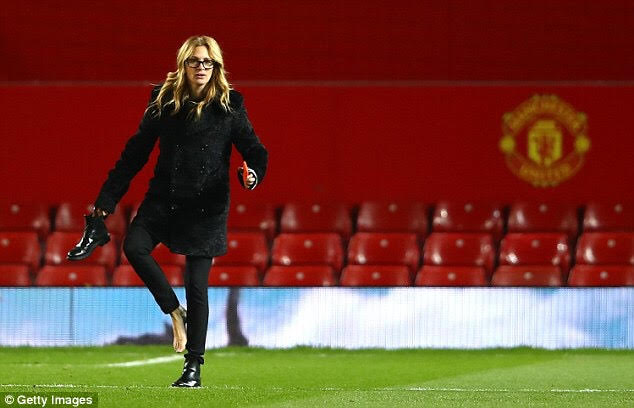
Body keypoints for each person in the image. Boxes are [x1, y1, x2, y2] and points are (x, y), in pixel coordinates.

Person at [66, 35, 268, 388]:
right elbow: (134, 154)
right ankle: (175, 311)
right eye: (194, 61)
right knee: (134, 246)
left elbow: (255, 151)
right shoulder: (163, 100)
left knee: (197, 286)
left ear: (216, 66)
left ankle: (194, 366)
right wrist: (104, 204)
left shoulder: (230, 104)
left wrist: (253, 174)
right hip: (164, 200)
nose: (201, 68)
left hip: (206, 207)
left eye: (208, 62)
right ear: (183, 64)